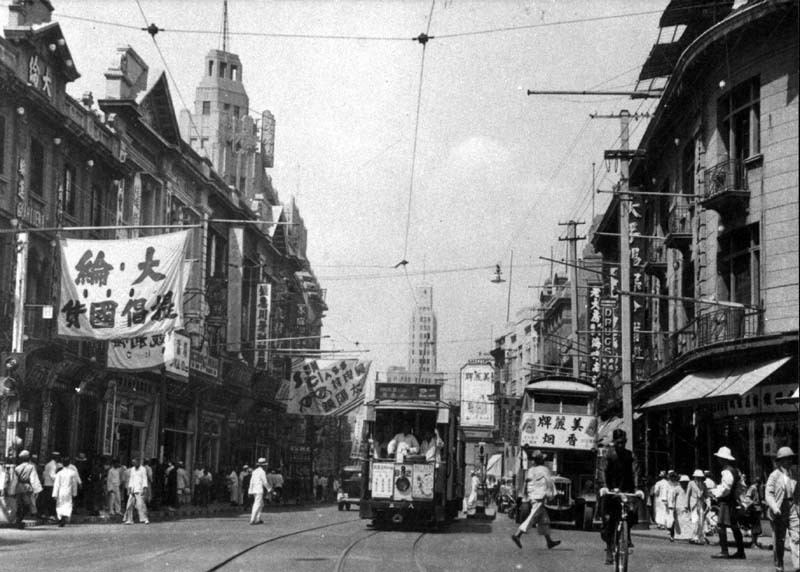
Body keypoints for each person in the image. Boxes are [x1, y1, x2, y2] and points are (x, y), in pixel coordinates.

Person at [599, 428, 639, 566]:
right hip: (610, 491)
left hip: (626, 490)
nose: (621, 445)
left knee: (633, 514)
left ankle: (626, 534)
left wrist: (638, 489)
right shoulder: (608, 455)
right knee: (608, 521)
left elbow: (635, 472)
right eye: (618, 443)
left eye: (623, 442)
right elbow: (603, 470)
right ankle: (610, 551)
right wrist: (604, 486)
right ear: (614, 442)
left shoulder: (630, 455)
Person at [510, 449, 561, 550]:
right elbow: (549, 483)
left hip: (533, 496)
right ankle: (518, 534)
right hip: (540, 497)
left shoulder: (531, 470)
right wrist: (552, 495)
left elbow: (527, 483)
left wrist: (526, 495)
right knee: (532, 516)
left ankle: (549, 541)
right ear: (541, 460)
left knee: (544, 520)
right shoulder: (544, 469)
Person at [709, 445, 746, 560]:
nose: (719, 460)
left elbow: (726, 488)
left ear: (723, 459)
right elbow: (741, 486)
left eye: (720, 458)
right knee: (734, 526)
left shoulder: (726, 471)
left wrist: (716, 493)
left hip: (726, 501)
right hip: (733, 501)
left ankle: (724, 551)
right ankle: (741, 551)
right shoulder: (735, 471)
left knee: (721, 526)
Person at [765, 446, 798, 572]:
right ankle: (779, 565)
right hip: (779, 509)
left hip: (793, 507)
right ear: (779, 461)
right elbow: (768, 494)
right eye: (785, 459)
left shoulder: (795, 474)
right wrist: (774, 507)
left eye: (790, 459)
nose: (788, 462)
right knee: (779, 540)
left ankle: (798, 566)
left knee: (796, 537)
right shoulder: (774, 476)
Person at [14, 450, 42, 528]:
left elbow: (14, 479)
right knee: (27, 505)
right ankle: (19, 520)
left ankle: (18, 520)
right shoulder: (31, 467)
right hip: (27, 488)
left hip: (18, 487)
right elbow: (33, 479)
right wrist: (37, 489)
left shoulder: (17, 468)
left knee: (19, 504)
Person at [52, 460, 79, 527]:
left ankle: (60, 518)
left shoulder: (59, 473)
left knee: (59, 504)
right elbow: (74, 484)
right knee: (68, 504)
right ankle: (64, 516)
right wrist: (74, 493)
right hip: (68, 491)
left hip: (61, 491)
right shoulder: (72, 473)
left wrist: (55, 494)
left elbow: (56, 484)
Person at [123, 457, 149, 525]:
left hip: (140, 489)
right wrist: (129, 488)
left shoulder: (143, 469)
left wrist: (144, 488)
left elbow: (144, 478)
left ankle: (145, 518)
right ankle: (129, 519)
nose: (134, 464)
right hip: (133, 489)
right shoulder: (132, 469)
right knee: (129, 505)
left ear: (138, 462)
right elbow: (131, 479)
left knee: (141, 505)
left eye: (135, 462)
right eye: (133, 463)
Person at [686, 469, 708, 545]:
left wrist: (708, 503)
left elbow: (706, 495)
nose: (698, 478)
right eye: (697, 477)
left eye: (700, 477)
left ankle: (699, 537)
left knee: (701, 520)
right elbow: (687, 495)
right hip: (693, 503)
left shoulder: (704, 485)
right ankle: (693, 537)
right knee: (695, 520)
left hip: (700, 503)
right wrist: (686, 505)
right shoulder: (691, 483)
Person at [743, 475, 764, 549]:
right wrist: (751, 504)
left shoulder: (758, 489)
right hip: (754, 510)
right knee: (755, 527)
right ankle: (753, 543)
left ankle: (754, 542)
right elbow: (747, 497)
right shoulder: (753, 488)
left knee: (757, 527)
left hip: (758, 509)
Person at [249, 458, 271, 525]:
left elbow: (251, 481)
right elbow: (264, 481)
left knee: (261, 504)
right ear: (264, 465)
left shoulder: (254, 471)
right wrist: (269, 489)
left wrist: (250, 491)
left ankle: (258, 518)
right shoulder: (262, 472)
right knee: (257, 504)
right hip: (259, 490)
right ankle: (252, 519)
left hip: (254, 490)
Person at [42, 451, 60, 522]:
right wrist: (59, 477)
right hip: (51, 485)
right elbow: (52, 475)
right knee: (51, 501)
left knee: (47, 500)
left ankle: (46, 514)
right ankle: (51, 515)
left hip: (46, 484)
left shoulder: (48, 464)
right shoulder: (53, 465)